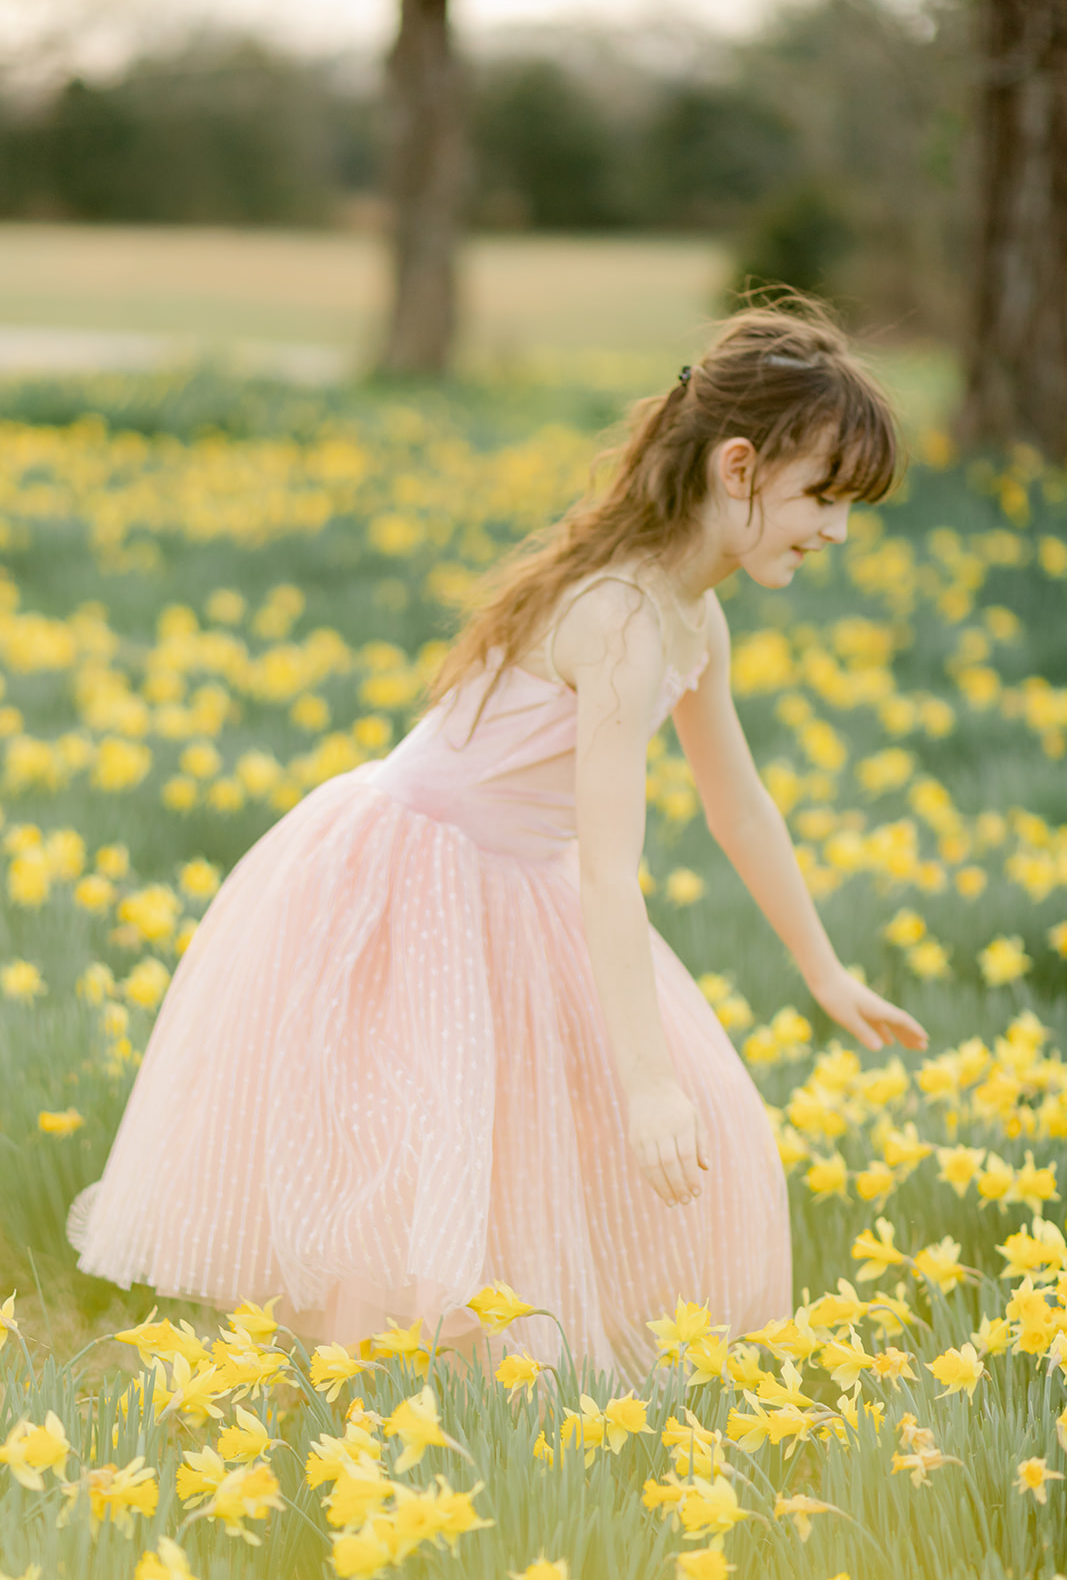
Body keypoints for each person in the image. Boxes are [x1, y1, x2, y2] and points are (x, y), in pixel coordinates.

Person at [68, 300, 928, 1385]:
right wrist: (644, 1079)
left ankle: (498, 1393)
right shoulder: (616, 614)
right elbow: (611, 871)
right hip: (413, 872)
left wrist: (823, 967)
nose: (835, 531)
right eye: (820, 498)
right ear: (737, 467)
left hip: (519, 876)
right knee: (427, 1147)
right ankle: (382, 1401)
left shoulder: (692, 617)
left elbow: (737, 806)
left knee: (630, 1130)